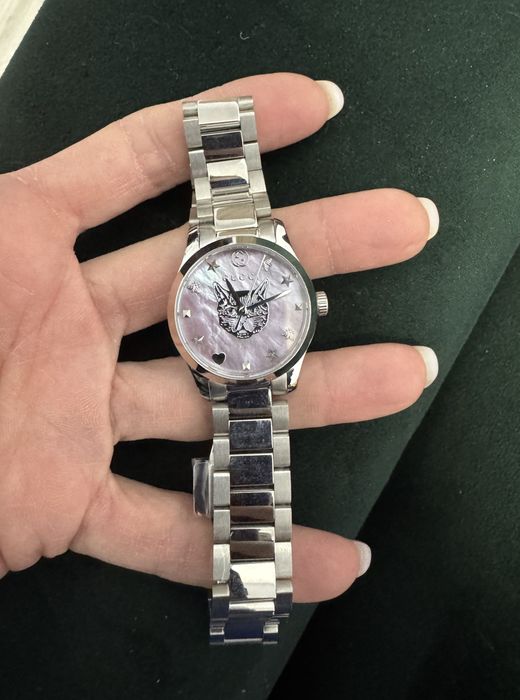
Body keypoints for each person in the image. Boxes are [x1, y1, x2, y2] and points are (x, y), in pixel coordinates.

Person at [0, 72, 439, 603]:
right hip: (224, 365)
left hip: (249, 364)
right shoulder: (211, 280)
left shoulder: (264, 280)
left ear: (311, 307)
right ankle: (249, 597)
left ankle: (249, 597)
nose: (247, 307)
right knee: (248, 554)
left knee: (252, 556)